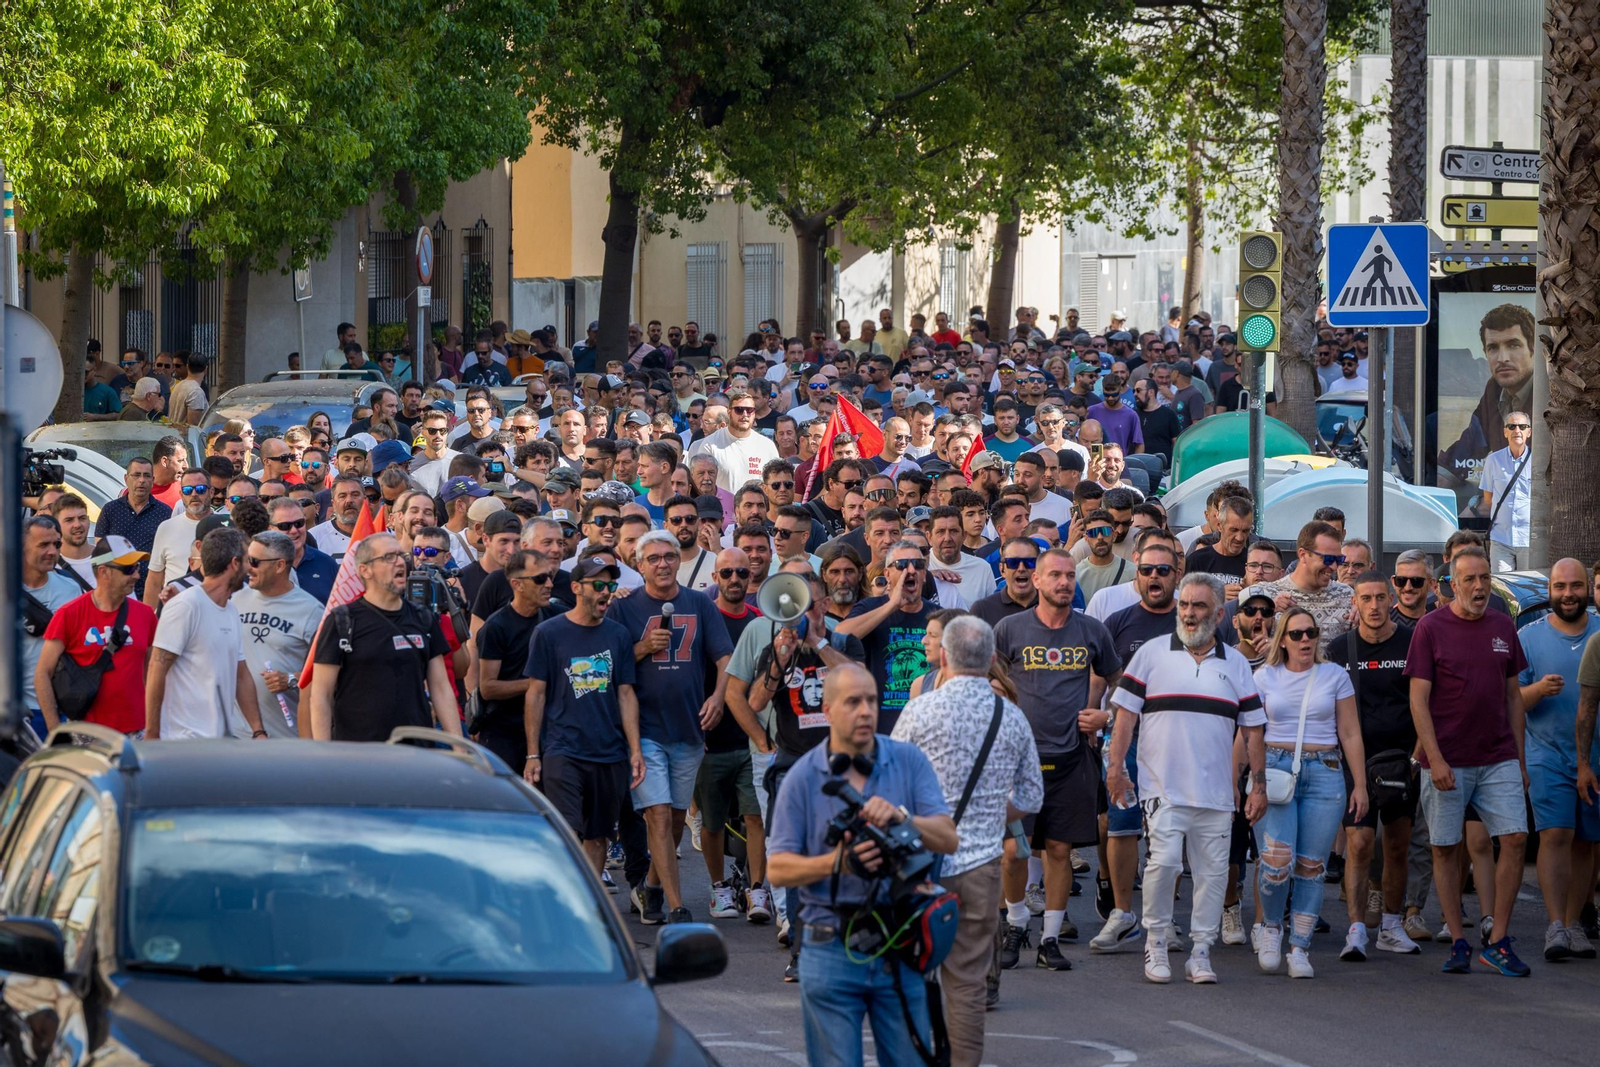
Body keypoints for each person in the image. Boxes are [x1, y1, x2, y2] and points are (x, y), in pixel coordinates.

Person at [766, 663, 957, 1067]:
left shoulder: (908, 760)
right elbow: (778, 869)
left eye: (871, 700)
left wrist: (903, 819)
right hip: (828, 946)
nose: (866, 711)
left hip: (899, 941)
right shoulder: (802, 777)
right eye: (853, 702)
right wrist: (839, 863)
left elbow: (947, 837)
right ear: (829, 710)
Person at [892, 617, 1042, 1067]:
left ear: (943, 657)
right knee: (968, 987)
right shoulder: (1011, 716)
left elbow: (890, 788)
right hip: (981, 867)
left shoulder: (920, 710)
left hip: (920, 864)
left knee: (908, 978)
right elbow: (1032, 796)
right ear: (993, 660)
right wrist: (994, 814)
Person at [1106, 572, 1267, 984]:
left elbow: (1253, 730)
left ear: (1217, 612)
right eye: (1184, 606)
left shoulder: (1236, 664)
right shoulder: (1152, 654)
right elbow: (1124, 716)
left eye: (1199, 607)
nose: (1190, 614)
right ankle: (1156, 943)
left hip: (1216, 792)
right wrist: (1115, 768)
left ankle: (1200, 951)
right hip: (1162, 787)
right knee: (1163, 864)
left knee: (1213, 874)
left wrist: (1258, 785)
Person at [993, 549, 1121, 971]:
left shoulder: (1092, 631)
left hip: (1070, 759)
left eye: (1069, 575)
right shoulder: (1009, 628)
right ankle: (1015, 923)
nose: (1064, 582)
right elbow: (984, 679)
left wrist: (1108, 714)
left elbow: (1122, 685)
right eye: (1056, 576)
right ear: (1039, 580)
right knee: (1013, 851)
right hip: (1018, 762)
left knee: (1060, 850)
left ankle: (1050, 939)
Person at [1407, 546, 1532, 976]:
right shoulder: (1430, 627)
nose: (1479, 587)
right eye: (1470, 580)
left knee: (1515, 838)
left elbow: (1513, 696)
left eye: (1484, 578)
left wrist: (1519, 758)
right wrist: (1435, 759)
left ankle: (1497, 941)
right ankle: (1458, 938)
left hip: (1498, 755)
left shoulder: (1503, 625)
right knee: (1445, 848)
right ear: (1452, 585)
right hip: (1447, 759)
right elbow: (1418, 700)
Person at [607, 530, 734, 924]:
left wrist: (718, 698)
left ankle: (652, 885)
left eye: (669, 556)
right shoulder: (623, 609)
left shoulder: (699, 603)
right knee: (658, 816)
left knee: (677, 820)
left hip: (689, 729)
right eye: (654, 558)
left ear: (679, 561)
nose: (662, 564)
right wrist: (641, 648)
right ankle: (677, 907)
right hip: (643, 730)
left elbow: (725, 657)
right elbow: (606, 664)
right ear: (639, 565)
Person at [1249, 607, 1366, 979]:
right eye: (1296, 634)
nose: (1305, 640)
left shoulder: (1333, 675)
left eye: (1311, 633)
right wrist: (1245, 781)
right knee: (1275, 862)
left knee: (1311, 867)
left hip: (1325, 770)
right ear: (1282, 639)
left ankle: (1300, 947)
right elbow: (1249, 732)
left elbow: (1349, 732)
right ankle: (1270, 927)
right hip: (1275, 768)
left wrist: (1359, 784)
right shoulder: (1264, 676)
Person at [523, 555, 644, 873]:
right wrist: (533, 754)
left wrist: (635, 751)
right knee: (567, 832)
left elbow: (626, 693)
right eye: (599, 585)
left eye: (610, 585)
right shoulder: (549, 633)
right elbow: (535, 694)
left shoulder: (617, 635)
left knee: (598, 836)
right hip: (563, 750)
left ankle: (590, 907)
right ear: (576, 587)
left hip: (609, 753)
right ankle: (565, 902)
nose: (606, 592)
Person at [1329, 571, 1425, 960]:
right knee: (1359, 843)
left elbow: (1424, 705)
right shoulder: (1339, 649)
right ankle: (1356, 929)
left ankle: (1390, 925)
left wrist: (1418, 757)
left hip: (1404, 763)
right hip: (1357, 764)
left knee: (1399, 846)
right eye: (1365, 598)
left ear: (1391, 600)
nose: (1373, 606)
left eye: (1380, 598)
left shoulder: (1413, 643)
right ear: (1355, 603)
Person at [1092, 542, 1180, 953]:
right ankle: (1123, 913)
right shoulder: (1117, 621)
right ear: (1137, 575)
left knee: (1168, 830)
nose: (1155, 577)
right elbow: (1099, 681)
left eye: (1163, 570)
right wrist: (1095, 723)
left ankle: (1163, 920)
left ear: (1176, 573)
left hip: (1177, 741)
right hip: (1126, 738)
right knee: (1122, 825)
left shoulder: (1192, 618)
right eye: (1147, 570)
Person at [1516, 559, 1600, 960]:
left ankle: (1574, 924)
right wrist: (1538, 691)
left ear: (1588, 589)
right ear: (1548, 590)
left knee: (1585, 841)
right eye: (1560, 586)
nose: (1568, 594)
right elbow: (1511, 701)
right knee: (1555, 835)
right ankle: (1555, 927)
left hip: (1595, 757)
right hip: (1546, 752)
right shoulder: (1528, 636)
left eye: (1576, 586)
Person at [309, 532, 462, 741]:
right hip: (358, 755)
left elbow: (441, 687)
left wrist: (458, 744)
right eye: (389, 557)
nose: (400, 562)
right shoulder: (342, 621)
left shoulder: (423, 618)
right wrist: (324, 755)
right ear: (365, 570)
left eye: (401, 555)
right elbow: (320, 696)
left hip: (415, 753)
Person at [697, 548, 772, 922]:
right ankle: (718, 887)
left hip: (751, 739)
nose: (734, 580)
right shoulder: (705, 619)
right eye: (726, 573)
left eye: (741, 573)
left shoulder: (760, 620)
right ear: (715, 576)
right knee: (711, 824)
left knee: (755, 817)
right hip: (711, 741)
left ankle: (758, 890)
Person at [146, 527, 268, 741]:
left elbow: (241, 675)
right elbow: (157, 669)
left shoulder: (230, 609)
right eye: (248, 560)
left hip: (219, 741)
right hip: (182, 741)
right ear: (234, 563)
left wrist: (258, 731)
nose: (250, 568)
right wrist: (152, 735)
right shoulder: (185, 605)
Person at [36, 536, 159, 735]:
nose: (136, 575)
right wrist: (55, 731)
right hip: (87, 734)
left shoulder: (146, 615)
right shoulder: (69, 614)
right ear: (104, 571)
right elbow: (42, 673)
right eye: (128, 569)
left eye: (137, 567)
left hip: (138, 732)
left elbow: (153, 672)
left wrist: (154, 728)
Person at [471, 549, 562, 767]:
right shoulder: (495, 627)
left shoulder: (557, 616)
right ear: (517, 584)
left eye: (550, 576)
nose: (549, 584)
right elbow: (488, 687)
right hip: (504, 733)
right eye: (540, 578)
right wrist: (535, 684)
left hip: (549, 729)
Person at [837, 540, 938, 735]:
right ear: (887, 574)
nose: (910, 570)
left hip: (925, 729)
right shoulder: (870, 607)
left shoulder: (938, 615)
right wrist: (892, 606)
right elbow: (840, 636)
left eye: (918, 565)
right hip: (880, 730)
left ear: (924, 574)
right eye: (901, 565)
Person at [231, 530, 323, 738]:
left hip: (285, 738)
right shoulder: (236, 600)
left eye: (254, 562)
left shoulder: (311, 611)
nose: (248, 568)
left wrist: (291, 679)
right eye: (246, 560)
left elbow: (330, 672)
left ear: (280, 565)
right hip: (238, 735)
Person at [20, 517, 83, 740]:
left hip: (56, 710)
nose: (52, 551)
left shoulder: (70, 589)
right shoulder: (5, 591)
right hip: (11, 710)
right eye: (43, 545)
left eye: (56, 545)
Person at [1259, 520, 1353, 653]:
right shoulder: (1267, 594)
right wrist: (1267, 612)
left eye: (1339, 560)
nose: (1333, 567)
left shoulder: (1347, 595)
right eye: (1328, 559)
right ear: (1303, 555)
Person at [94, 457, 173, 582]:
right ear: (126, 479)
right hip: (117, 585)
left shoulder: (165, 513)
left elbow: (170, 553)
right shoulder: (110, 510)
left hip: (151, 585)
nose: (141, 480)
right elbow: (100, 549)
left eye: (146, 476)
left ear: (152, 480)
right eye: (136, 475)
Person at [687, 387, 779, 490]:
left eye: (749, 410)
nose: (745, 414)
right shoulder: (710, 444)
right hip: (722, 505)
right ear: (729, 412)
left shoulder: (767, 446)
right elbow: (701, 484)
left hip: (757, 505)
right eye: (739, 410)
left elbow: (775, 484)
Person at [143, 469, 211, 604]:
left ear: (212, 492)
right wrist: (149, 621)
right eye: (187, 490)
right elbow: (154, 581)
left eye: (201, 489)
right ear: (181, 494)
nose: (194, 494)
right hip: (175, 612)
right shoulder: (166, 528)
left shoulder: (225, 527)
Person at [1479, 412, 1532, 572]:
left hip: (1528, 540)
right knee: (1501, 590)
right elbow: (1488, 498)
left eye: (1522, 427)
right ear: (1505, 432)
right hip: (1501, 538)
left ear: (1528, 432)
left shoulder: (1537, 460)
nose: (1517, 430)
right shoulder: (1493, 460)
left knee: (1528, 589)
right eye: (1512, 426)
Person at [1184, 495, 1254, 592]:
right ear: (1220, 526)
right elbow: (1186, 599)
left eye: (1245, 531)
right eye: (1234, 530)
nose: (1239, 538)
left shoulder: (1254, 564)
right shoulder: (1197, 560)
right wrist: (1218, 595)